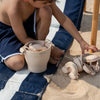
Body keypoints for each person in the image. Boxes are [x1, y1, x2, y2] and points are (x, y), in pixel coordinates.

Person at [0, 0, 98, 71]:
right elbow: (23, 38)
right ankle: (41, 48)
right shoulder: (13, 7)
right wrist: (48, 49)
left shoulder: (44, 1)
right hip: (7, 32)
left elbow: (63, 19)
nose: (49, 3)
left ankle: (39, 48)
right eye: (45, 2)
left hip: (26, 25)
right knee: (17, 64)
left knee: (46, 10)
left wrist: (81, 41)